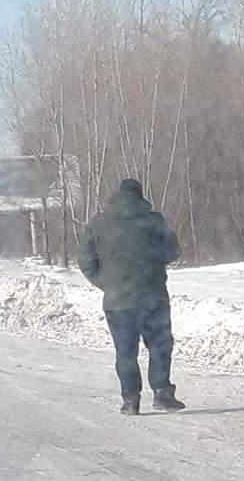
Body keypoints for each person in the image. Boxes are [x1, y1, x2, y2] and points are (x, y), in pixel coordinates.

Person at [77, 178, 185, 415]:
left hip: (118, 302)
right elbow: (172, 251)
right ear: (140, 196)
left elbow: (85, 260)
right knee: (160, 345)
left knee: (125, 351)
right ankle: (162, 393)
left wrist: (106, 283)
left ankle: (130, 400)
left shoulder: (98, 223)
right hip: (153, 297)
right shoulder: (154, 221)